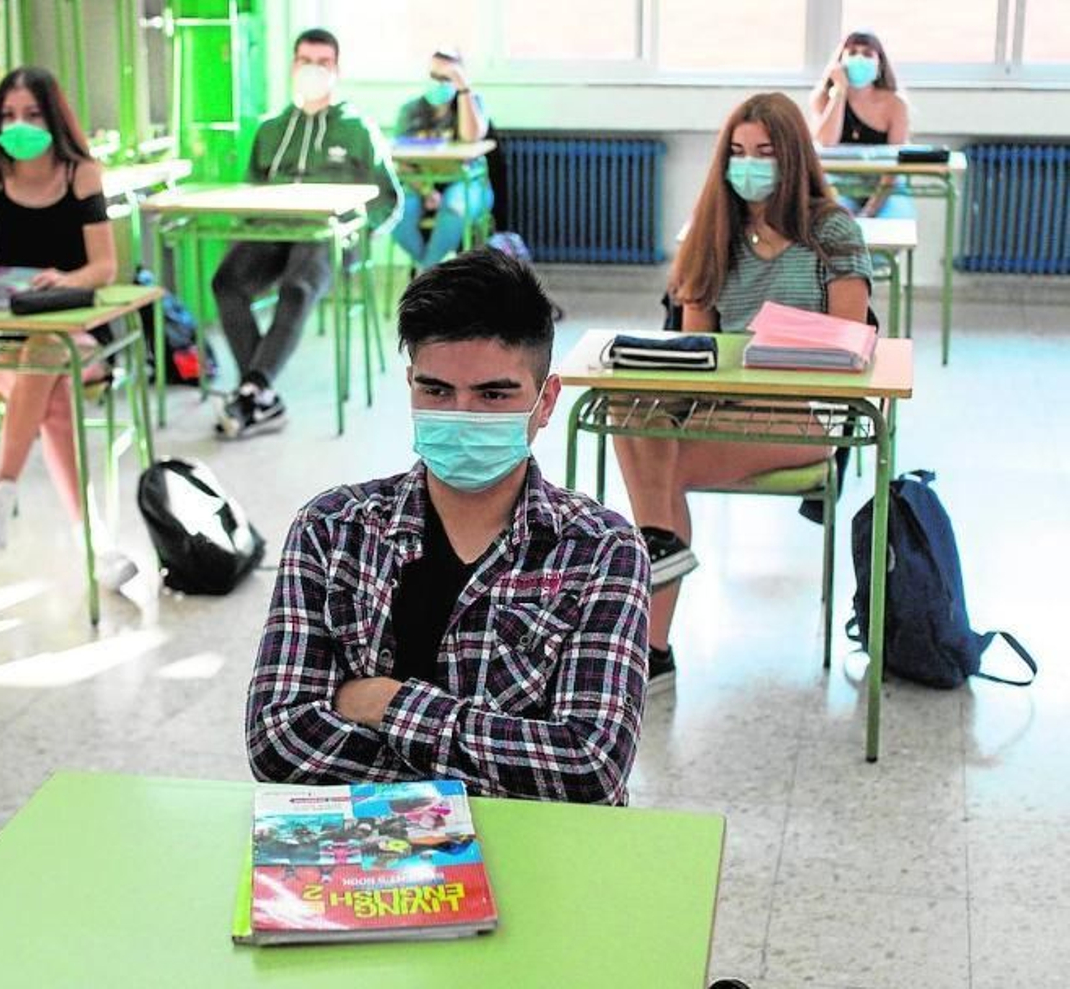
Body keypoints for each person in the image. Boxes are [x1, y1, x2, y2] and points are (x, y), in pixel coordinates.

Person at [244, 248, 650, 804]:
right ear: (410, 384)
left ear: (546, 400)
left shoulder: (602, 551)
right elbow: (277, 742)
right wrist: (492, 766)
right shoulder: (332, 529)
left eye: (493, 394)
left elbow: (588, 768)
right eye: (436, 391)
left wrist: (387, 703)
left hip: (539, 855)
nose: (462, 414)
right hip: (365, 860)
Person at [616, 93, 872, 692]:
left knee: (660, 468)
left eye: (763, 152)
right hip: (729, 411)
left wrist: (778, 340)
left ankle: (651, 630)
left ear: (791, 158)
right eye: (736, 152)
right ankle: (659, 571)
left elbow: (851, 341)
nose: (747, 164)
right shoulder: (712, 231)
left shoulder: (832, 230)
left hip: (809, 415)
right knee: (627, 416)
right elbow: (698, 358)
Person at [0, 66, 135, 588]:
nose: (17, 124)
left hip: (78, 329)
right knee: (50, 388)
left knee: (47, 354)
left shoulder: (81, 174)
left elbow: (104, 268)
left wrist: (63, 279)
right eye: (7, 115)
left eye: (30, 114)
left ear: (54, 117)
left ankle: (3, 487)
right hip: (6, 337)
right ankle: (95, 544)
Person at [210, 27, 400, 439]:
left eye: (323, 63)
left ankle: (252, 391)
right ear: (293, 66)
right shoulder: (271, 129)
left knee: (299, 285)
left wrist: (358, 235)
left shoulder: (357, 129)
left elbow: (388, 197)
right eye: (305, 61)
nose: (313, 70)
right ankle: (258, 393)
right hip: (274, 232)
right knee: (226, 281)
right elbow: (251, 190)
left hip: (329, 234)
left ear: (337, 69)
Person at [391, 49, 492, 270]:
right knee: (396, 213)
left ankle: (426, 273)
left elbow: (471, 137)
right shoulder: (410, 110)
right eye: (433, 76)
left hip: (465, 181)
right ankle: (434, 272)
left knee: (455, 206)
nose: (437, 83)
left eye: (445, 78)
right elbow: (401, 160)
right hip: (419, 181)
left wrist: (464, 91)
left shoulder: (472, 104)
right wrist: (427, 190)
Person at [807, 30, 915, 219]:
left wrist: (870, 210)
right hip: (838, 185)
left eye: (867, 54)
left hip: (886, 187)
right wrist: (839, 91)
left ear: (879, 63)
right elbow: (826, 142)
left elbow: (895, 164)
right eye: (853, 52)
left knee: (888, 232)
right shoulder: (822, 98)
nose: (859, 58)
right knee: (833, 227)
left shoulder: (896, 104)